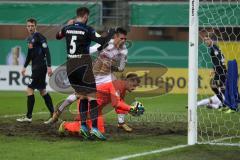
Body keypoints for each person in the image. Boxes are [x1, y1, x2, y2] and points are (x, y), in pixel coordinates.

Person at [54, 7, 115, 140]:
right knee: (92, 96)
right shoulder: (88, 29)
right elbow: (103, 41)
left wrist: (66, 26)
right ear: (86, 16)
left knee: (82, 96)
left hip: (70, 65)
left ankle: (83, 126)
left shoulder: (67, 28)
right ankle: (94, 128)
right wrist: (111, 33)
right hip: (83, 64)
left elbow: (57, 36)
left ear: (77, 16)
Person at [58, 73, 144, 136]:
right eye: (134, 85)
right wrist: (131, 108)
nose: (134, 88)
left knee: (99, 131)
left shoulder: (122, 89)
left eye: (136, 86)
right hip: (89, 104)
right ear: (128, 81)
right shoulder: (117, 85)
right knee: (89, 130)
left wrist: (123, 119)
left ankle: (76, 127)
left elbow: (119, 105)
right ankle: (66, 125)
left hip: (96, 109)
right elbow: (116, 103)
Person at [16, 18, 54, 123]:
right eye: (28, 26)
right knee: (42, 91)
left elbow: (47, 52)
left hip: (40, 68)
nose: (30, 27)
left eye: (32, 26)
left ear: (35, 26)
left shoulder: (40, 37)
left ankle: (29, 117)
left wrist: (49, 66)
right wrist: (24, 67)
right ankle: (53, 114)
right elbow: (29, 55)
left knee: (29, 89)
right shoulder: (30, 39)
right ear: (26, 27)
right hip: (36, 68)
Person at [203, 36, 227, 111]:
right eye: (205, 40)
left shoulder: (214, 47)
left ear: (211, 40)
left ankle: (227, 103)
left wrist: (215, 70)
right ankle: (224, 103)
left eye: (207, 39)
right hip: (219, 69)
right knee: (216, 86)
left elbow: (220, 58)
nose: (206, 41)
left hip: (220, 70)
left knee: (220, 87)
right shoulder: (214, 47)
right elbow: (221, 57)